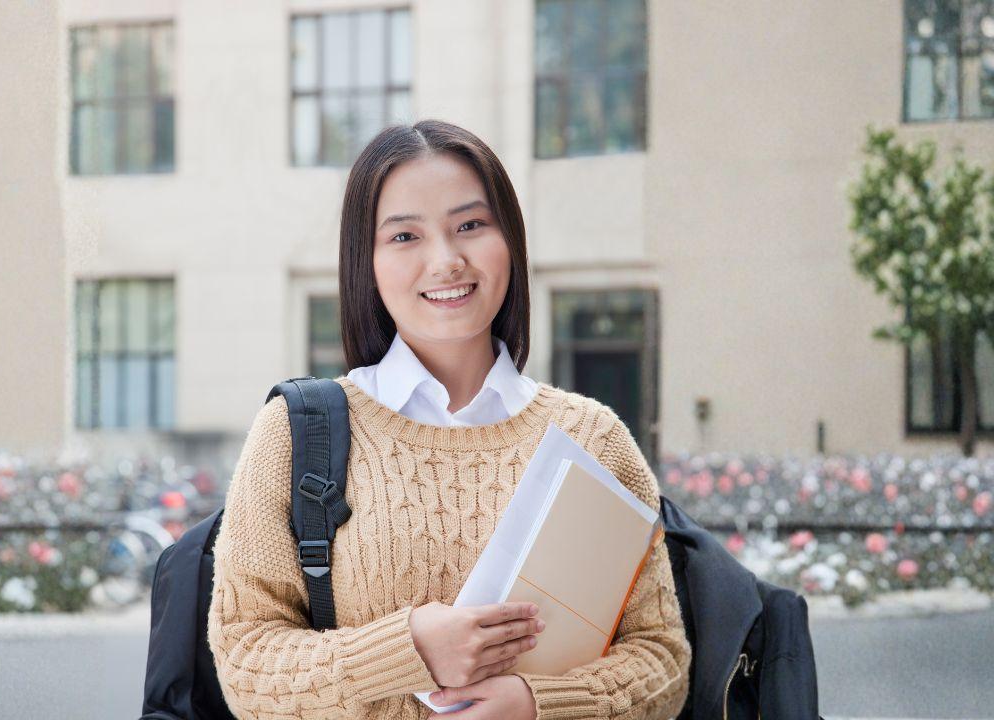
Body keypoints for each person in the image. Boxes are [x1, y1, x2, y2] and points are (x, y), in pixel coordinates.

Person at [207, 120, 690, 719]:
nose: (446, 260)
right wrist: (408, 649)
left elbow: (662, 661)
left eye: (470, 225)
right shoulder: (296, 432)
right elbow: (245, 663)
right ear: (368, 262)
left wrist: (537, 705)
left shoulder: (593, 437)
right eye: (405, 235)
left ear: (509, 239)